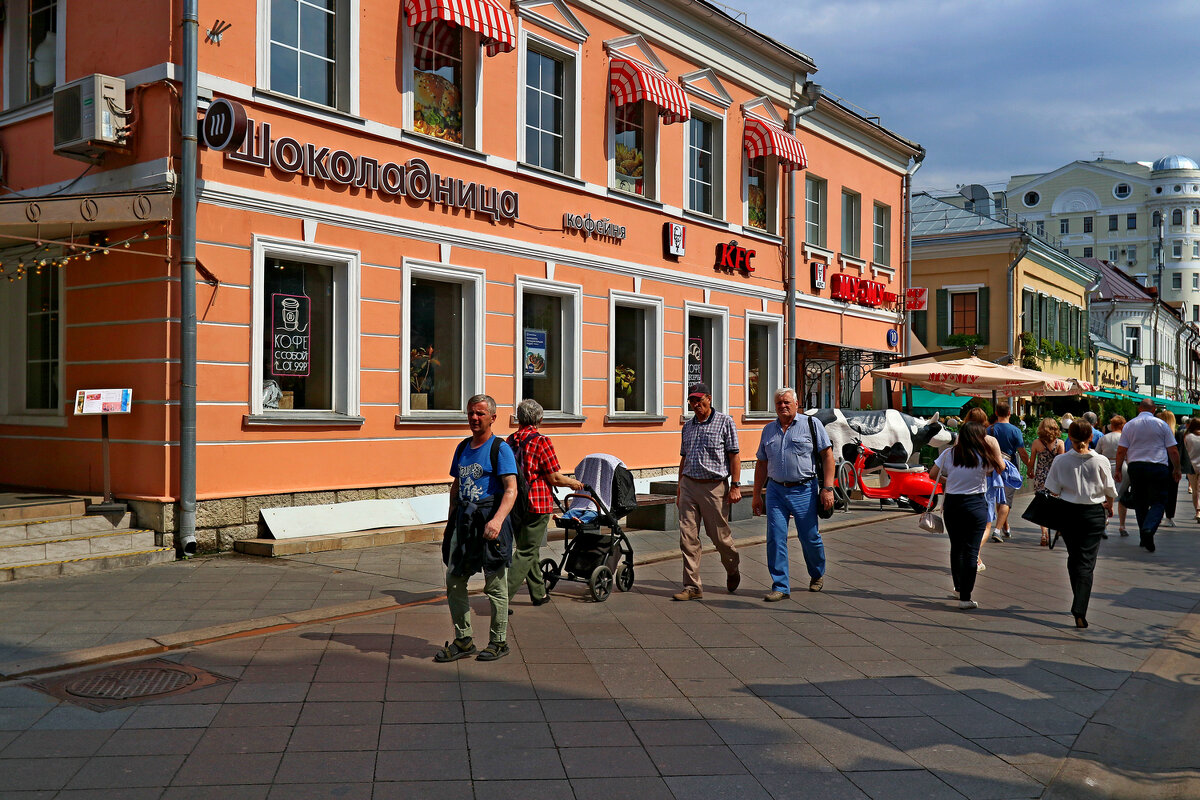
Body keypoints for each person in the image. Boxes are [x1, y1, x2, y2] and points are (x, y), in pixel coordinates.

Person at [435, 394, 518, 663]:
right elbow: (457, 486)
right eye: (471, 413)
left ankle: (498, 641)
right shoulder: (462, 447)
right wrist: (451, 521)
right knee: (454, 579)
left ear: (492, 418)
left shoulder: (500, 449)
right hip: (464, 522)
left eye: (480, 413)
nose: (474, 418)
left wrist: (497, 520)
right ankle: (463, 640)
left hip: (490, 522)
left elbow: (511, 489)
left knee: (495, 585)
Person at [752, 387, 835, 601]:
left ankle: (817, 573)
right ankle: (780, 586)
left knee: (809, 537)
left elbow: (827, 456)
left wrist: (827, 488)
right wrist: (756, 494)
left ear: (797, 404)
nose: (783, 406)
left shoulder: (811, 424)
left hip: (804, 489)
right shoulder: (768, 430)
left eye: (787, 402)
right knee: (775, 538)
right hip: (775, 490)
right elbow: (762, 464)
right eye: (779, 403)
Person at [506, 399, 584, 612]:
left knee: (528, 549)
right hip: (537, 503)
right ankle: (502, 597)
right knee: (526, 551)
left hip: (515, 502)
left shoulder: (510, 440)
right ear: (539, 419)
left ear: (519, 418)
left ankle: (538, 593)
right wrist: (574, 483)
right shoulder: (542, 441)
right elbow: (554, 478)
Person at [672, 382, 743, 601]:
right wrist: (680, 488)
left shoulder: (725, 422)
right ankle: (692, 586)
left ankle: (732, 567)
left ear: (709, 398)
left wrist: (735, 485)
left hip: (714, 487)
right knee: (687, 537)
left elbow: (734, 456)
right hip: (689, 485)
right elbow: (684, 458)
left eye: (699, 400)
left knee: (720, 538)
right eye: (691, 401)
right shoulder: (688, 427)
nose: (695, 404)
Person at [1045, 421, 1116, 629]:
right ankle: (1079, 608)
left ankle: (1078, 599)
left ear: (1069, 437)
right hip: (1093, 513)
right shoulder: (1100, 460)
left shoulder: (1060, 460)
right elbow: (1109, 489)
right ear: (1091, 437)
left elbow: (1053, 489)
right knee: (1087, 561)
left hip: (1068, 511)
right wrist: (1109, 506)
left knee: (1074, 556)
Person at [928, 421, 1004, 610]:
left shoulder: (949, 454)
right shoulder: (983, 456)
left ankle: (958, 587)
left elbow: (932, 474)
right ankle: (965, 597)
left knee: (956, 547)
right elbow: (1000, 467)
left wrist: (950, 480)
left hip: (953, 505)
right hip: (975, 504)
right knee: (971, 550)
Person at [1116, 399, 1181, 553]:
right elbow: (1173, 450)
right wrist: (1177, 468)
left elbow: (1121, 450)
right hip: (1158, 466)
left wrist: (1118, 469)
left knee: (1140, 502)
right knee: (1159, 501)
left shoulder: (1129, 425)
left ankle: (1143, 536)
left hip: (1136, 467)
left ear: (1139, 409)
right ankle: (1149, 528)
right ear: (1154, 410)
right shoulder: (1162, 425)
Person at [964, 407, 1001, 570]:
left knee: (969, 524)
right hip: (986, 483)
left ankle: (975, 555)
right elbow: (1000, 466)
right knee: (986, 524)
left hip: (964, 484)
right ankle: (975, 553)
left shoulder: (961, 440)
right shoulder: (990, 440)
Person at [987, 401, 1029, 542]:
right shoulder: (1015, 431)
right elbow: (1022, 453)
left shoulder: (989, 429)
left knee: (999, 497)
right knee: (1006, 500)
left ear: (996, 413)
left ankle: (1005, 527)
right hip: (1009, 468)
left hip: (992, 468)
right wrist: (1029, 466)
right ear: (1009, 413)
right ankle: (997, 530)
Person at [1029, 418, 1066, 546]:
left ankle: (1044, 533)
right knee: (1055, 503)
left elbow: (1032, 461)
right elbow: (1061, 462)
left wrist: (1030, 471)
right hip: (1054, 477)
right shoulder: (1060, 443)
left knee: (1042, 505)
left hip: (1040, 477)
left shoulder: (1036, 443)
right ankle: (1056, 526)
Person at [1095, 415, 1127, 537]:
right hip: (1123, 466)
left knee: (1105, 496)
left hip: (1106, 465)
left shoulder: (1104, 438)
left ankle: (1104, 524)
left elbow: (1097, 453)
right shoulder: (1125, 438)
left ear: (1112, 426)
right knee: (1123, 497)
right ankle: (1122, 526)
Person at [1156, 410, 1180, 527]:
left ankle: (1158, 515)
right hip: (1172, 465)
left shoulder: (1158, 433)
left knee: (1158, 491)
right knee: (1172, 492)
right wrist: (1178, 468)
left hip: (1159, 464)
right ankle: (1169, 517)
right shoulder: (1177, 434)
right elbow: (1177, 452)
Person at [1185, 418, 1200, 522]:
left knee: (1195, 490)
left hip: (1191, 467)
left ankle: (1197, 511)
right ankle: (1199, 510)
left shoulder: (1187, 437)